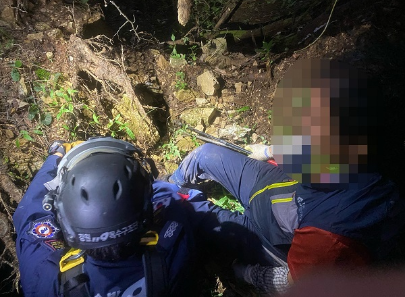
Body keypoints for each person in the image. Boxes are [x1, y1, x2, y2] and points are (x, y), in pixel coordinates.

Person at [168, 59, 405, 294]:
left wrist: (250, 274)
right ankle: (171, 184)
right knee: (206, 154)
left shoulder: (332, 236)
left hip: (273, 237)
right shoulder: (354, 150)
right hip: (278, 188)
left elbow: (295, 282)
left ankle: (173, 200)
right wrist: (268, 151)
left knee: (197, 214)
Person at [13, 137, 210, 297]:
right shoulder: (174, 247)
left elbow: (30, 217)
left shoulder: (46, 283)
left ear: (66, 225)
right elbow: (166, 195)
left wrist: (56, 155)